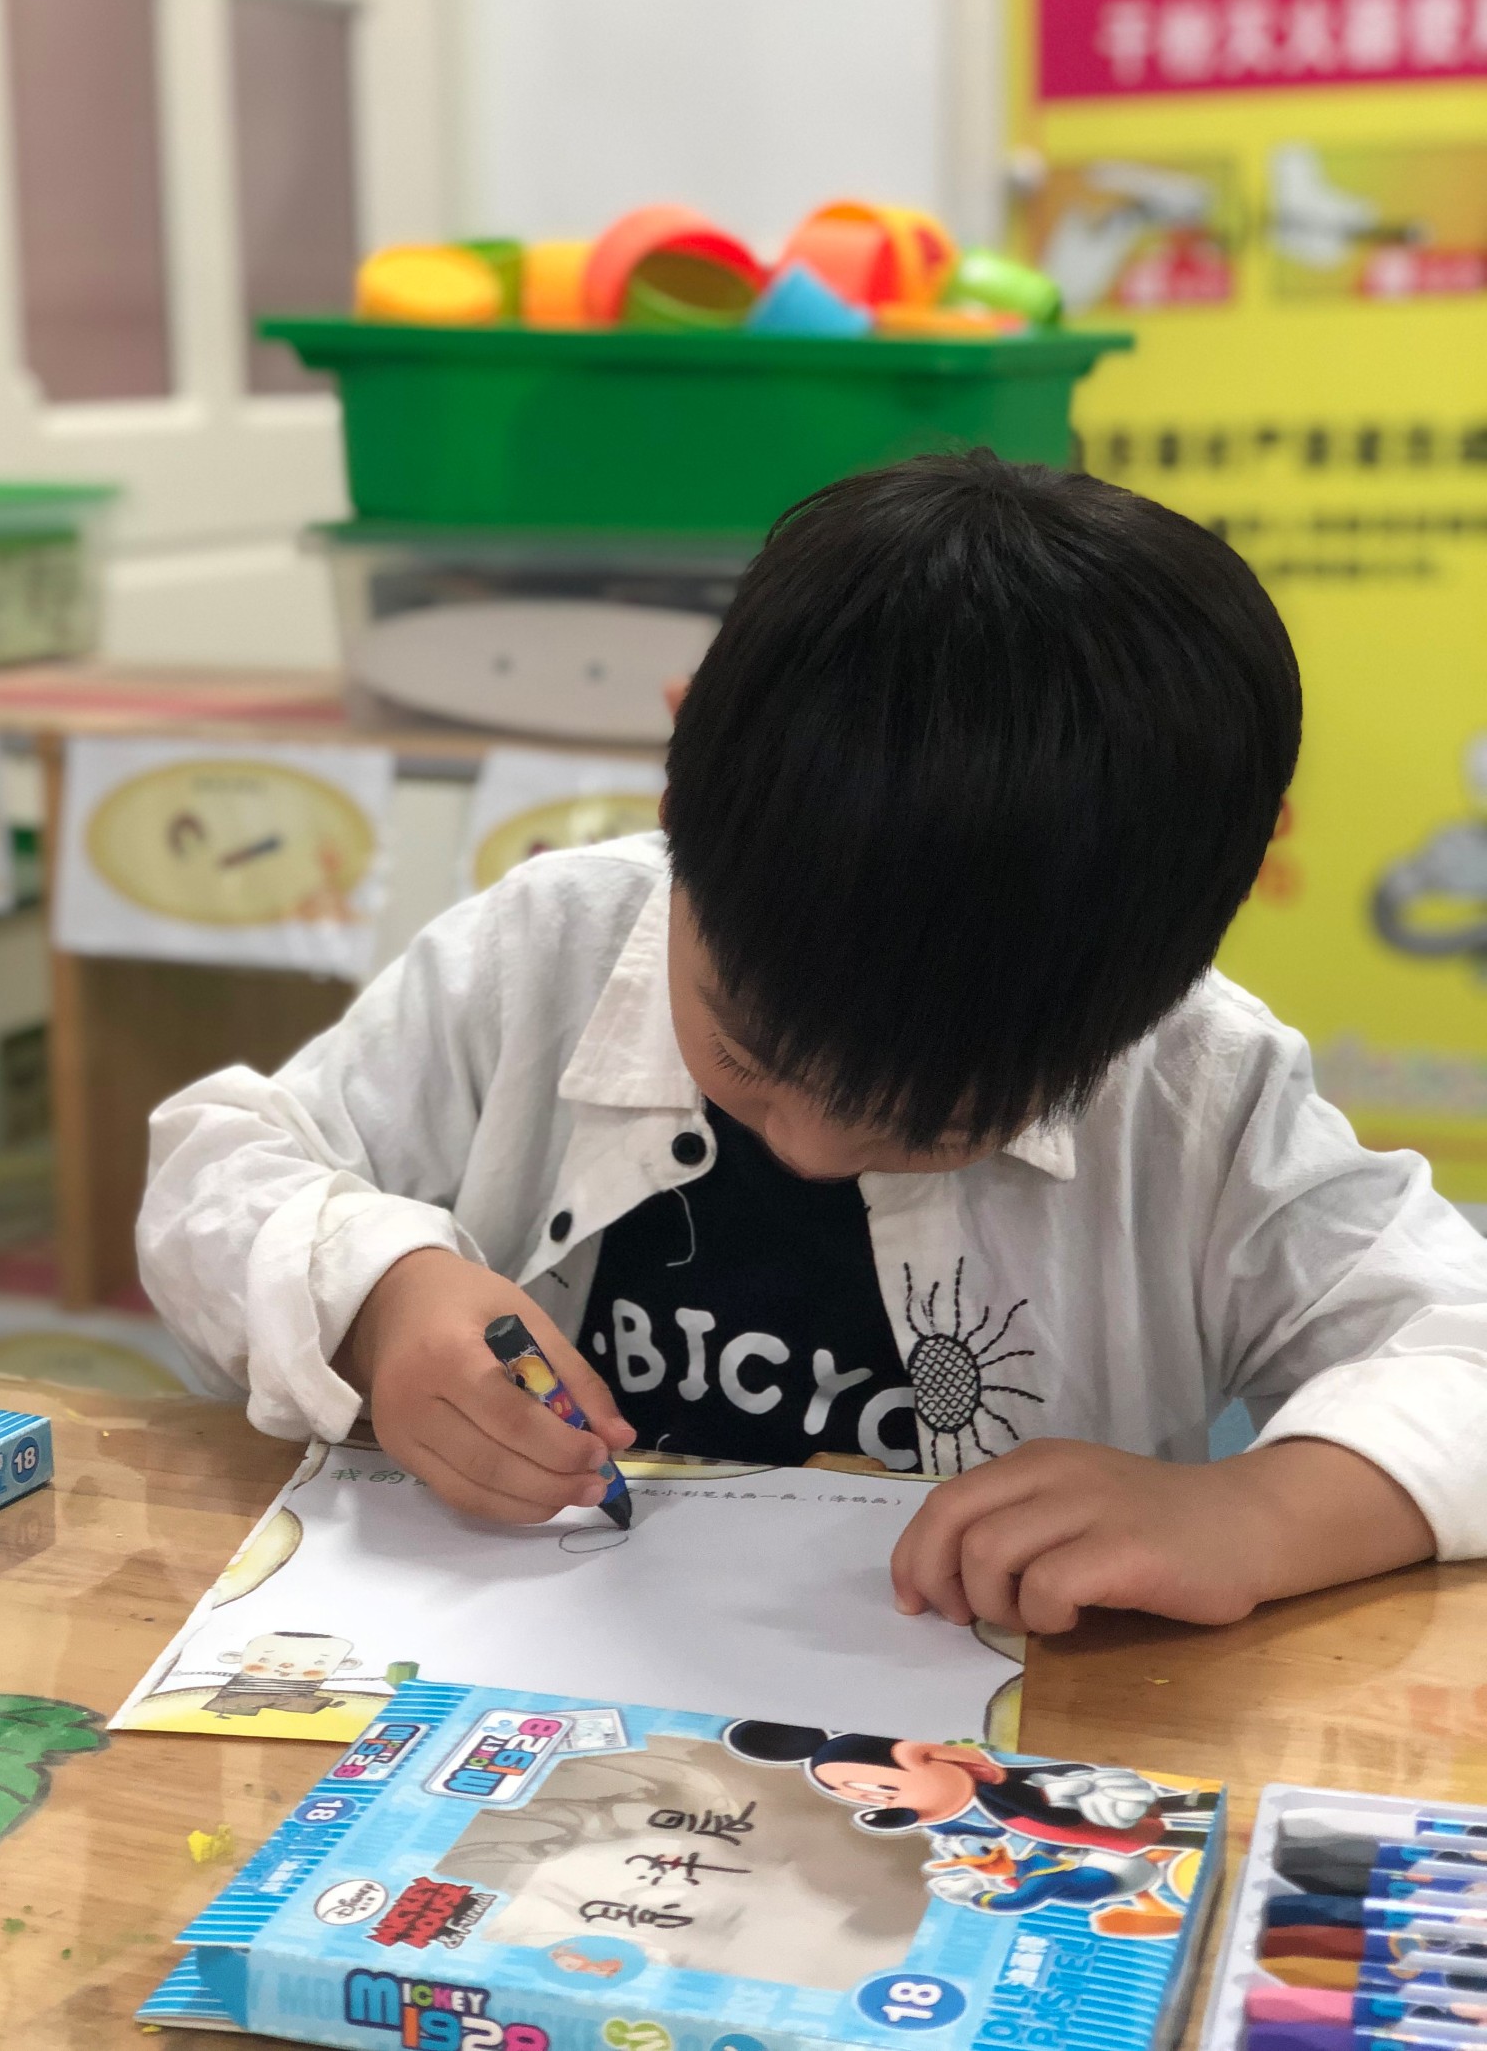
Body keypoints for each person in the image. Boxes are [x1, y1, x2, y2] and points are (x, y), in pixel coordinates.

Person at [137, 452, 1487, 1634]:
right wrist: (382, 1296)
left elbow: (1461, 1349)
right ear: (681, 785)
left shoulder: (1197, 1087)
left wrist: (1254, 1513)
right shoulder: (550, 946)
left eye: (933, 1121)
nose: (810, 1147)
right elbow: (215, 1167)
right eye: (747, 1053)